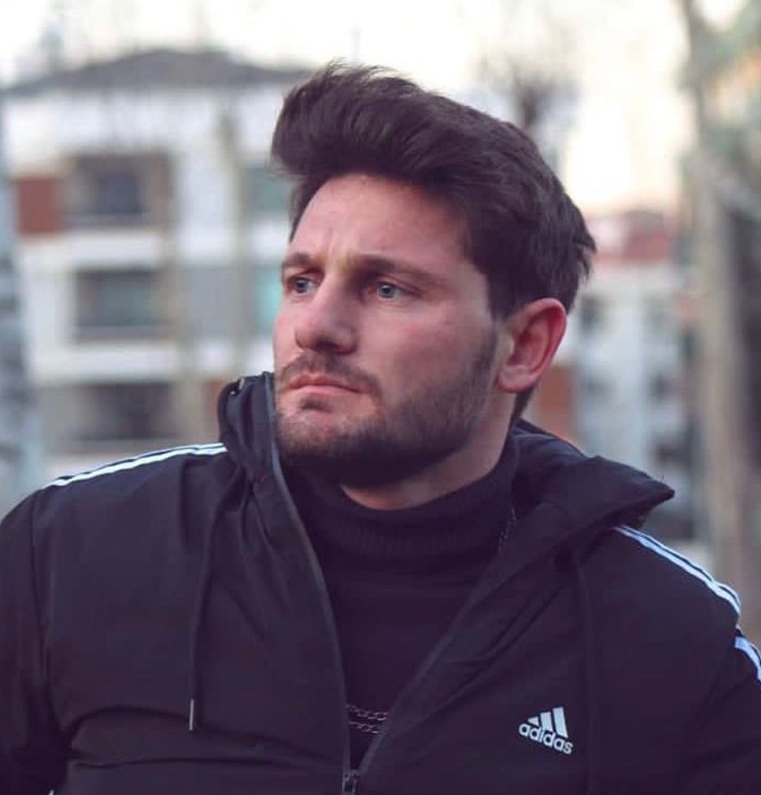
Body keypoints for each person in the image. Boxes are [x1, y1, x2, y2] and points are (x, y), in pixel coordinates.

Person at [1, 63, 759, 795]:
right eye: (302, 281)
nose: (316, 326)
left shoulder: (670, 644)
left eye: (387, 288)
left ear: (525, 346)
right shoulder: (71, 555)